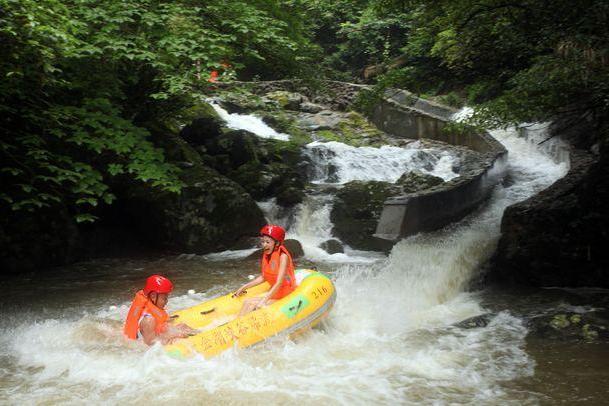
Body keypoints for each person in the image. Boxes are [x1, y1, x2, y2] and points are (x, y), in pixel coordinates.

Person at [233, 225, 296, 316]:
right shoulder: (268, 255)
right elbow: (264, 277)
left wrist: (264, 301)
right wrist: (244, 287)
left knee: (253, 305)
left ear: (277, 243)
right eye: (263, 242)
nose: (264, 245)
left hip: (285, 294)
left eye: (267, 242)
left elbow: (279, 282)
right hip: (276, 292)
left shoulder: (283, 257)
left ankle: (242, 326)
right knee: (247, 302)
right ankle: (237, 324)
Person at [123, 275, 193, 345]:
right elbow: (151, 343)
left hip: (156, 333)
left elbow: (160, 327)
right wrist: (173, 335)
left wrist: (173, 330)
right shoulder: (148, 321)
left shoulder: (151, 311)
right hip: (143, 347)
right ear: (153, 296)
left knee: (182, 326)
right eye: (164, 298)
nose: (167, 301)